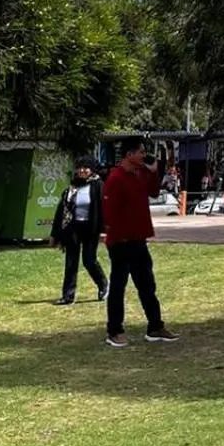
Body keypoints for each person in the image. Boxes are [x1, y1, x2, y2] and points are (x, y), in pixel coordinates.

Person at [102, 138, 176, 347]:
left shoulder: (141, 173)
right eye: (141, 152)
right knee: (118, 287)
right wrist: (115, 236)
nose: (144, 156)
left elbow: (153, 192)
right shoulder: (116, 178)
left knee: (147, 285)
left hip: (139, 240)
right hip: (121, 242)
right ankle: (114, 330)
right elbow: (109, 212)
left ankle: (155, 327)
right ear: (129, 154)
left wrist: (153, 171)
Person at [49, 157, 107, 305]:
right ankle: (68, 296)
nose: (82, 170)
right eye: (80, 167)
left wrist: (105, 229)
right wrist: (54, 235)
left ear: (92, 169)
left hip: (90, 228)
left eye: (85, 167)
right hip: (73, 228)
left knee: (89, 260)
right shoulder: (72, 187)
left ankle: (103, 284)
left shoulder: (98, 185)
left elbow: (104, 208)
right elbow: (61, 211)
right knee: (71, 262)